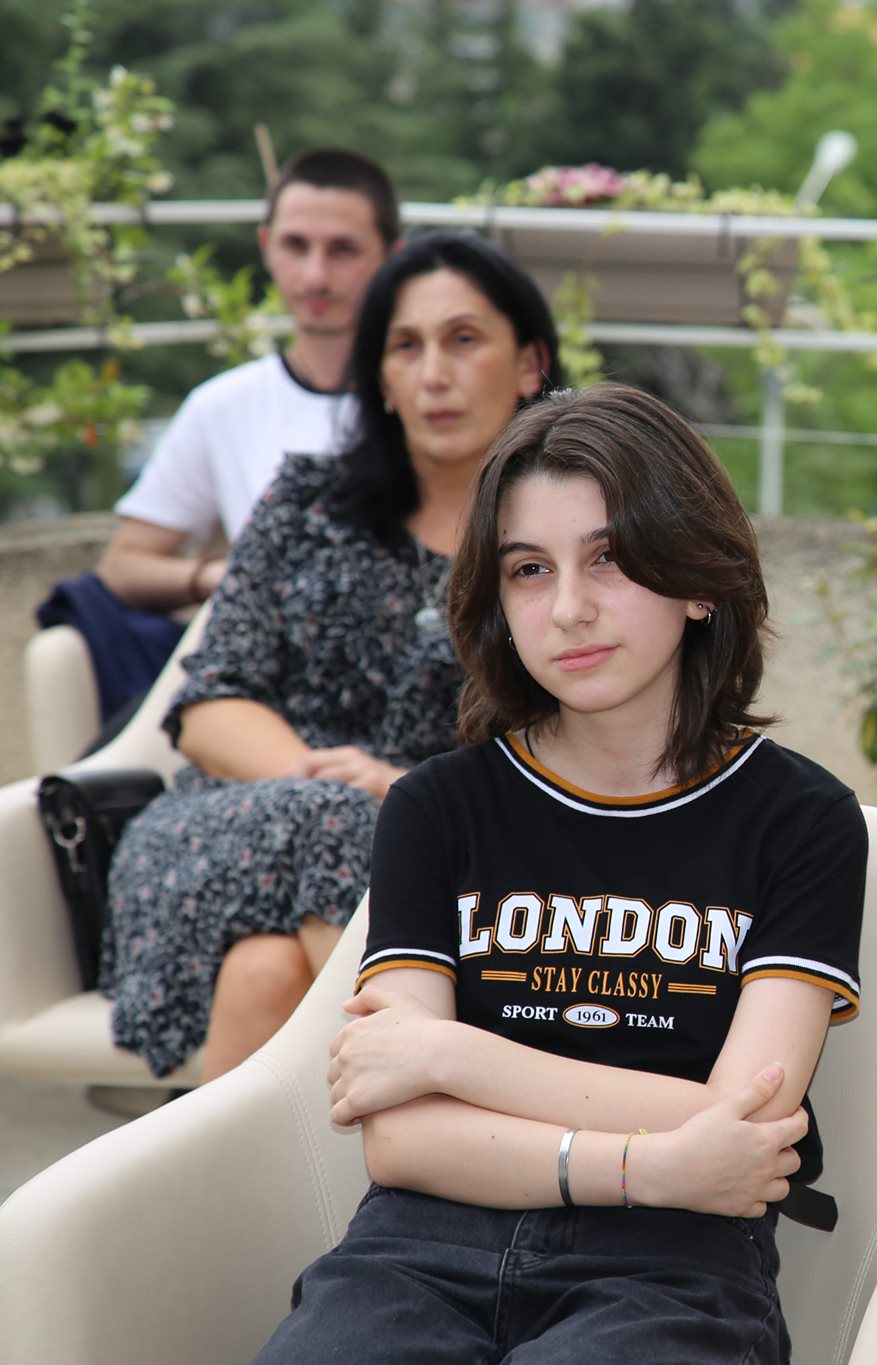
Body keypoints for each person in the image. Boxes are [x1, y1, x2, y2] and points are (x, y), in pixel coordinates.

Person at [255, 384, 866, 1364]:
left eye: (609, 558)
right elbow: (402, 1141)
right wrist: (649, 1164)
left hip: (673, 1272)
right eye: (529, 569)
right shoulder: (435, 809)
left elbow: (748, 1121)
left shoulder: (801, 820)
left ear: (700, 581)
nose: (570, 609)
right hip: (417, 1252)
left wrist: (452, 1056)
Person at [100, 231, 560, 1084]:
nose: (433, 374)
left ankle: (233, 1176)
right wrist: (338, 788)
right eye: (405, 346)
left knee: (267, 970)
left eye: (463, 339)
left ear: (530, 362)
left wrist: (401, 787)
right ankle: (458, 1099)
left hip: (454, 856)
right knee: (336, 825)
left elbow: (571, 739)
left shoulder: (562, 543)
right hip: (227, 827)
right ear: (379, 378)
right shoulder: (306, 502)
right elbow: (209, 706)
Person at [97, 146, 401, 612]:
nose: (316, 276)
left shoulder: (434, 397)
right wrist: (227, 577)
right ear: (266, 246)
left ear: (393, 256)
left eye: (343, 249)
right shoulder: (223, 406)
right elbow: (123, 564)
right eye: (295, 245)